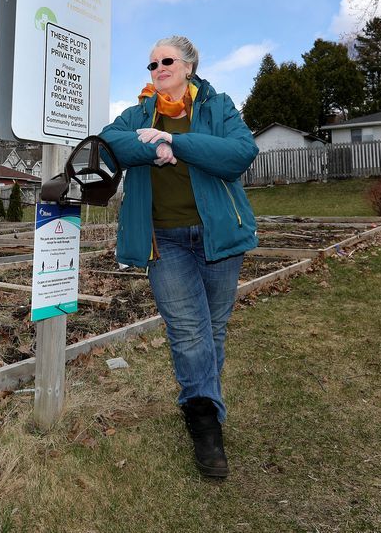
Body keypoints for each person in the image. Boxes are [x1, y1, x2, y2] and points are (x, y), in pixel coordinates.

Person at [99, 35, 258, 479]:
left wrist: (177, 140)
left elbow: (239, 155)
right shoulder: (139, 112)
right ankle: (205, 424)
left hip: (218, 236)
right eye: (151, 65)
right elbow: (111, 144)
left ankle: (199, 401)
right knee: (189, 332)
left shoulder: (217, 106)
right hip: (164, 240)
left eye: (166, 61)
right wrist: (153, 146)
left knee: (214, 330)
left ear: (189, 65)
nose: (157, 69)